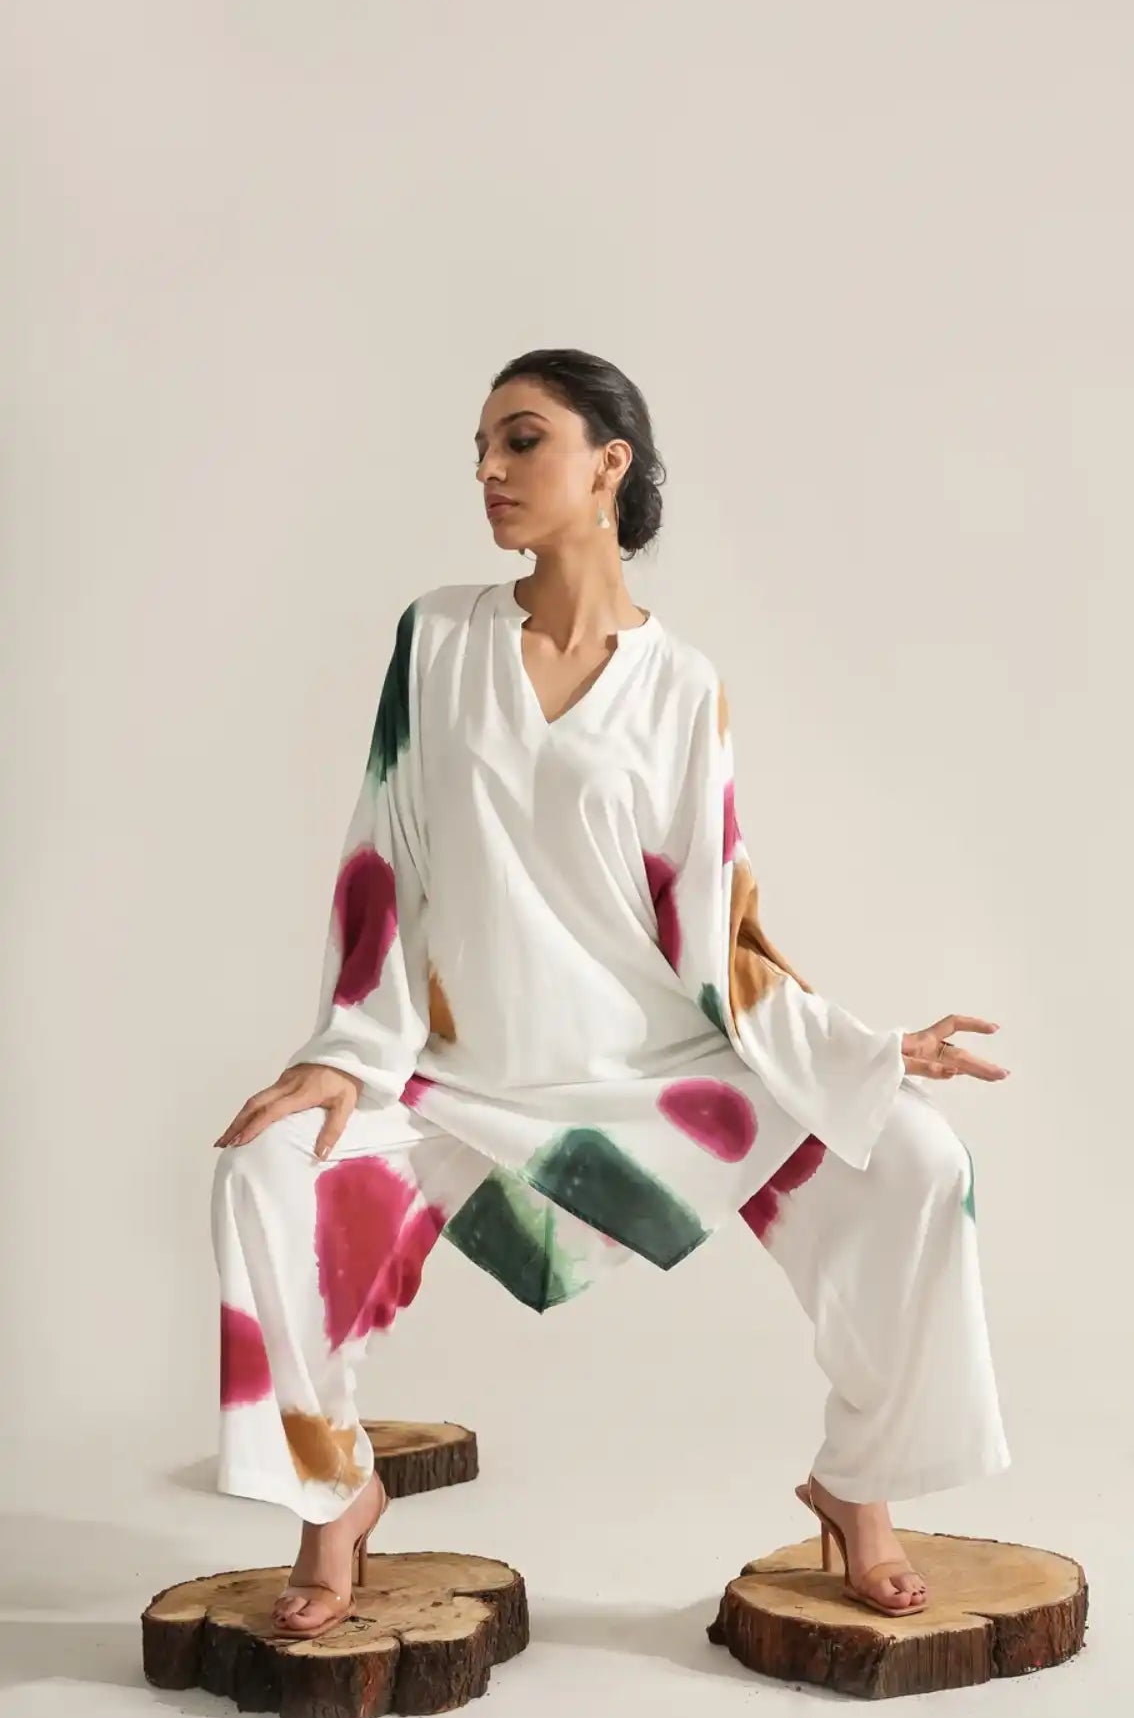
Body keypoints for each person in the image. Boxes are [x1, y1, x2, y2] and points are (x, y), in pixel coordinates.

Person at [211, 346, 1011, 1640]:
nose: (489, 469)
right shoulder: (437, 639)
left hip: (649, 1071)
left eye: (522, 440)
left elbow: (715, 914)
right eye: (480, 447)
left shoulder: (682, 686)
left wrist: (864, 1047)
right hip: (458, 1080)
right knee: (264, 1170)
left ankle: (858, 1485)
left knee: (919, 1161)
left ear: (608, 465)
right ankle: (333, 1497)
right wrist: (341, 1054)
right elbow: (383, 856)